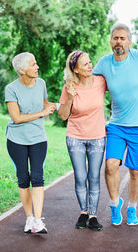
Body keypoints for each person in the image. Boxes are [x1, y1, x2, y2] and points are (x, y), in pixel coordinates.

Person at [92, 23, 138, 226]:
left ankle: (132, 207)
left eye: (123, 38)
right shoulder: (103, 63)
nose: (119, 41)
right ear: (111, 41)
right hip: (117, 125)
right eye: (115, 38)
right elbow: (89, 84)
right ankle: (114, 203)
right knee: (110, 166)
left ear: (130, 41)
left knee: (135, 171)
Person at [5, 52, 56, 234]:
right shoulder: (11, 89)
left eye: (36, 64)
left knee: (37, 177)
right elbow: (16, 118)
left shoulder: (41, 83)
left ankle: (37, 220)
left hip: (38, 138)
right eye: (33, 64)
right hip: (16, 139)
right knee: (23, 178)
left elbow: (44, 104)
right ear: (22, 70)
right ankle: (28, 219)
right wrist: (41, 114)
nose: (37, 67)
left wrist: (59, 105)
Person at [58, 50, 106, 231]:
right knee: (80, 177)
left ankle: (93, 216)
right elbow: (63, 115)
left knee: (94, 177)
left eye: (90, 62)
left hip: (97, 137)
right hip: (75, 137)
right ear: (75, 69)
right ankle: (83, 212)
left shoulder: (101, 81)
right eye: (85, 64)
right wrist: (70, 96)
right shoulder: (69, 86)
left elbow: (119, 86)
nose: (90, 66)